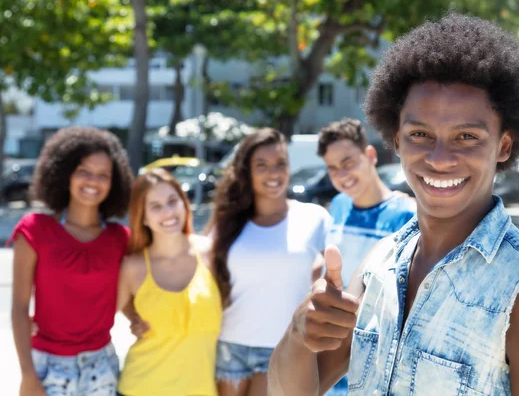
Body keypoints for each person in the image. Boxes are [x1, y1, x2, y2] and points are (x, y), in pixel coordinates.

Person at [268, 13, 519, 396]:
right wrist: (299, 332)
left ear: (504, 146)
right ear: (395, 140)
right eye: (420, 134)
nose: (440, 158)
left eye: (466, 136)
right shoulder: (378, 265)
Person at [207, 128, 331, 396]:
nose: (273, 173)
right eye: (261, 165)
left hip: (284, 345)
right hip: (230, 345)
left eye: (280, 164)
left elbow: (341, 265)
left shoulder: (314, 217)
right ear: (247, 172)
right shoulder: (227, 223)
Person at [11, 127, 133, 396]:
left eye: (103, 175)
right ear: (65, 173)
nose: (93, 181)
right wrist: (28, 375)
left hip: (102, 368)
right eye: (84, 171)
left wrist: (136, 318)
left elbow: (129, 295)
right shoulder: (35, 230)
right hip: (46, 369)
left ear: (115, 183)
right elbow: (19, 307)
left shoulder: (120, 239)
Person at [317, 118, 415, 395]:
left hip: (378, 356)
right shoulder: (338, 205)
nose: (342, 174)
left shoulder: (408, 214)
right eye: (332, 168)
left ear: (370, 155)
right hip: (334, 350)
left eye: (348, 162)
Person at [116, 168, 222, 396]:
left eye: (173, 201)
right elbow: (99, 315)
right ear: (142, 217)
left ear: (184, 204)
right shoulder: (132, 267)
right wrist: (132, 314)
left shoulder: (210, 254)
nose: (168, 212)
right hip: (141, 388)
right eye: (155, 206)